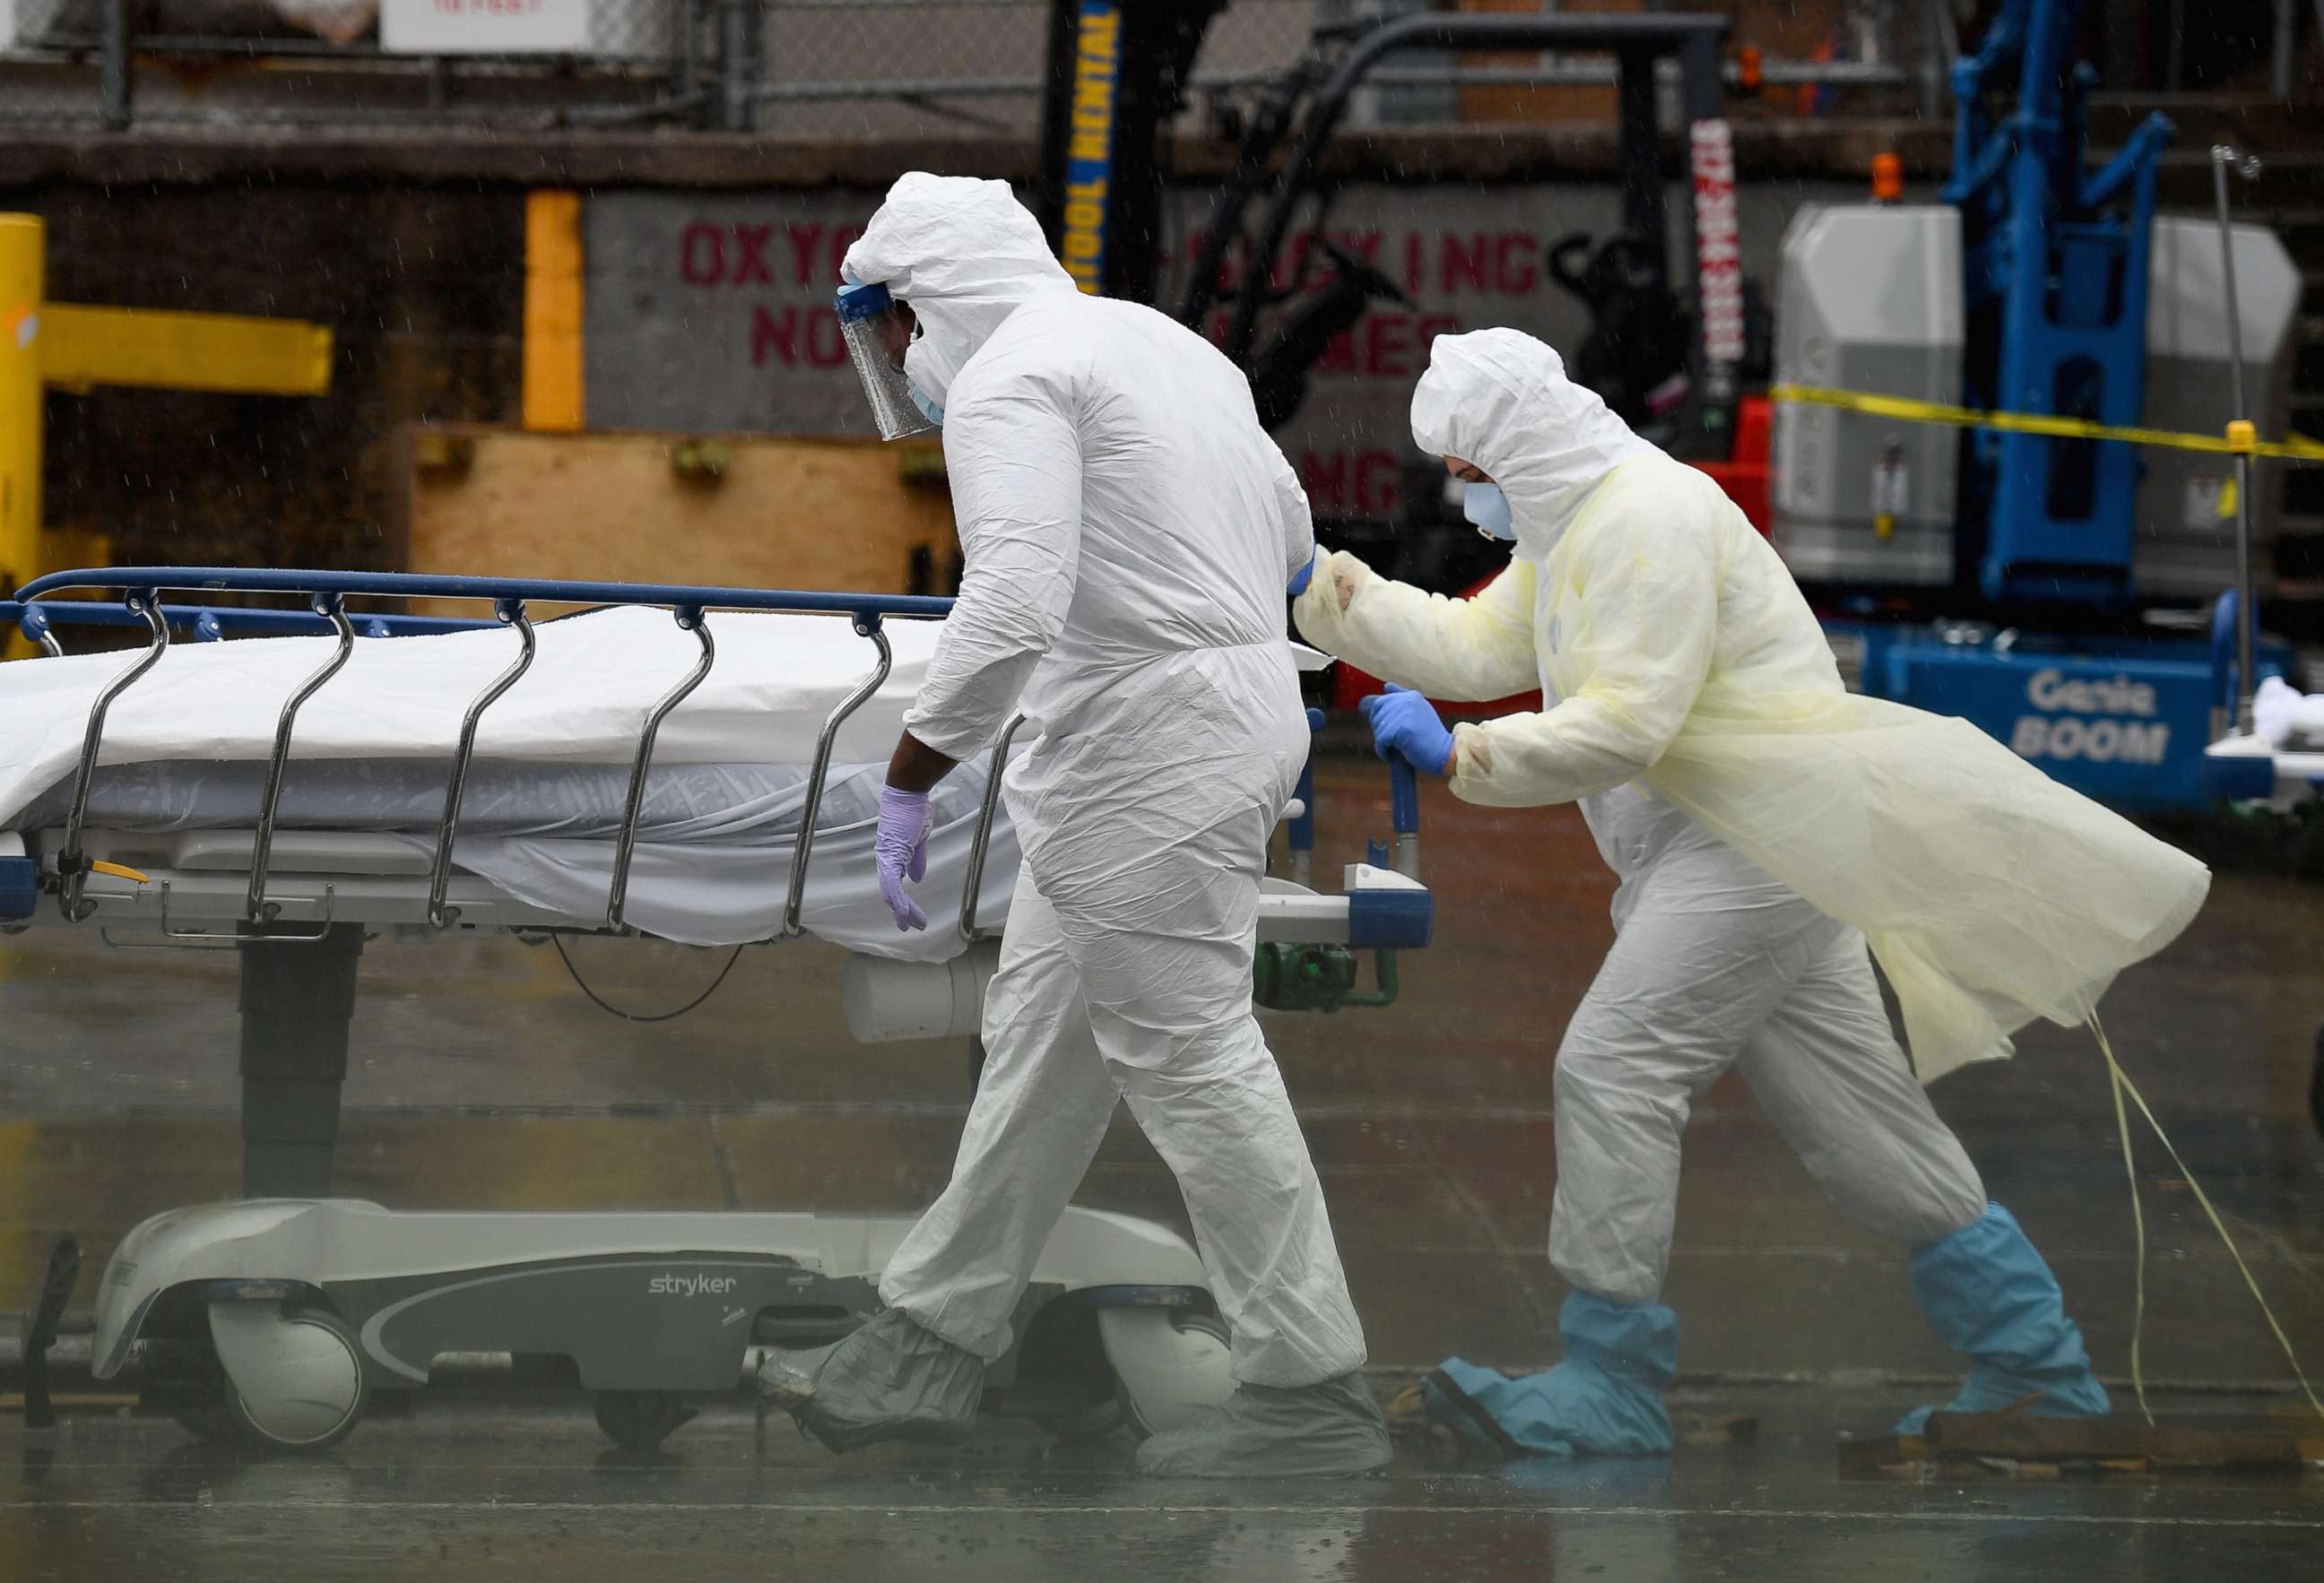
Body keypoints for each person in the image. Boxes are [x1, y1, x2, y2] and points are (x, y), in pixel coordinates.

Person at [1293, 327, 2207, 1455]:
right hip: (1763, 847)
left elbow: (1628, 721)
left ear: (1519, 453)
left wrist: (1462, 759)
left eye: (1471, 477)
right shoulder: (1573, 525)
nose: (1461, 497)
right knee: (1863, 1127)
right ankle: (2039, 1369)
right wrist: (1328, 593)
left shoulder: (1648, 517)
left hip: (1751, 854)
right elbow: (1482, 643)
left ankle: (1610, 1374)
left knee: (1614, 1066)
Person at [759, 172, 1390, 1479]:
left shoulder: (1007, 382)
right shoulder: (1166, 345)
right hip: (1221, 711)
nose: (899, 363)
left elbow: (1013, 602)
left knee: (1192, 1057)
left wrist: (909, 774)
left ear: (927, 298)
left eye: (891, 329)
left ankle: (1310, 1385)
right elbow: (1288, 541)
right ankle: (932, 1334)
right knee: (1042, 1044)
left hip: (1141, 746)